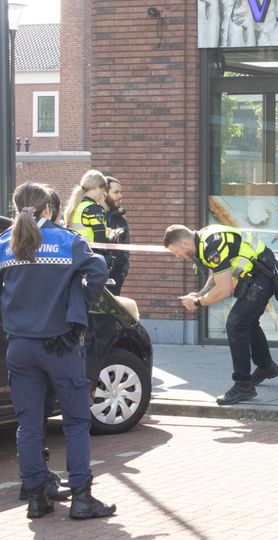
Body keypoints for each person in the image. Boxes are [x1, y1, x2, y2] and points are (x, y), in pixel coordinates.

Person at [0, 183, 115, 519]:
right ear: (49, 208)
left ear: (17, 206)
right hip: (61, 345)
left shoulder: (4, 244)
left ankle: (36, 497)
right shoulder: (67, 241)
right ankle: (81, 498)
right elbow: (99, 271)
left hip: (20, 347)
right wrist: (77, 306)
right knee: (76, 421)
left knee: (29, 424)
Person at [164, 224, 278, 404]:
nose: (178, 256)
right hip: (256, 274)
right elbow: (217, 273)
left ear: (184, 242)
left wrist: (198, 302)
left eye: (176, 252)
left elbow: (224, 289)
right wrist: (200, 293)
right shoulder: (204, 241)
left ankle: (243, 385)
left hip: (264, 275)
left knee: (235, 324)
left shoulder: (211, 245)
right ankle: (266, 367)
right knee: (249, 323)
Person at [103, 176, 130, 295]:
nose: (120, 196)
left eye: (120, 192)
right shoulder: (94, 216)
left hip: (115, 282)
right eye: (116, 192)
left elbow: (125, 253)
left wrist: (122, 275)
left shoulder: (121, 220)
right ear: (104, 194)